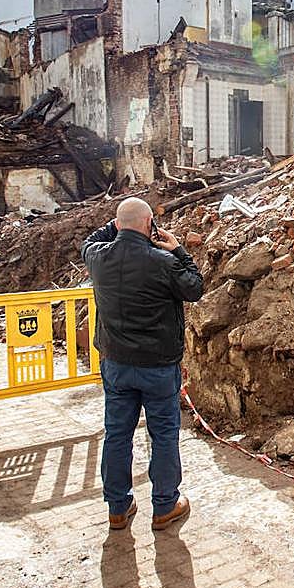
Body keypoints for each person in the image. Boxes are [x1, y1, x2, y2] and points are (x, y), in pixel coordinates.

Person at [82, 197, 204, 531]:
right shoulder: (163, 261)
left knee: (117, 434)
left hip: (117, 364)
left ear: (118, 226)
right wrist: (179, 250)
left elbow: (88, 242)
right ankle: (165, 506)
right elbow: (195, 288)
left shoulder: (98, 258)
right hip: (158, 366)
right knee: (163, 433)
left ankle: (118, 508)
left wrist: (119, 224)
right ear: (150, 225)